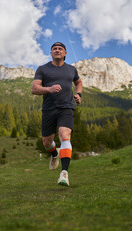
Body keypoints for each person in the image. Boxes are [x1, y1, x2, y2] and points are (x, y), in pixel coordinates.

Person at [31, 42, 83, 186]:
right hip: (49, 109)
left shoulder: (71, 69)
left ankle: (64, 173)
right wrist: (49, 89)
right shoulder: (43, 69)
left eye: (60, 49)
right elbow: (34, 89)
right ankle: (54, 154)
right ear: (51, 53)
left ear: (65, 53)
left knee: (65, 135)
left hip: (66, 108)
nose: (57, 50)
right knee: (47, 143)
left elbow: (78, 82)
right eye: (54, 49)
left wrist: (78, 94)